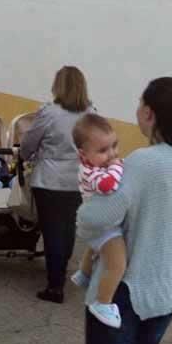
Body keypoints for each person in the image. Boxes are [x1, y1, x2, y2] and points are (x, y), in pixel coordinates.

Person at [78, 77, 172, 344]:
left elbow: (96, 218)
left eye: (139, 103)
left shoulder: (142, 162)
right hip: (169, 287)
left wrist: (85, 208)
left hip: (129, 290)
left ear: (149, 113)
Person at [18, 65, 93, 304]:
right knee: (68, 227)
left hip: (50, 178)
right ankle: (60, 271)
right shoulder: (91, 113)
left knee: (51, 231)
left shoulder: (49, 112)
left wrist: (23, 156)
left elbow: (30, 141)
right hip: (78, 179)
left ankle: (54, 285)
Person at [68, 114, 127, 329]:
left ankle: (84, 274)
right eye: (103, 151)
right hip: (103, 226)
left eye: (114, 146)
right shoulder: (89, 171)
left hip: (96, 224)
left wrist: (109, 163)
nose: (111, 154)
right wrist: (118, 165)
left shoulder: (95, 164)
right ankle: (103, 303)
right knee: (118, 263)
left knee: (94, 249)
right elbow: (109, 185)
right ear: (84, 154)